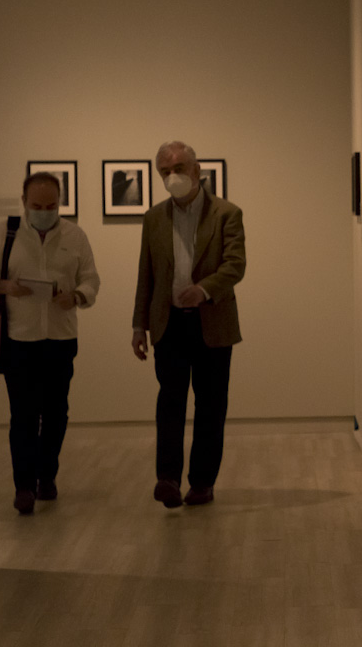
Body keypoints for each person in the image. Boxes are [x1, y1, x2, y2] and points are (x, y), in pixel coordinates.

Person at [0, 172, 100, 515]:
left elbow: (91, 279)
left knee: (56, 413)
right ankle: (24, 486)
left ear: (60, 202)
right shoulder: (3, 233)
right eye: (37, 206)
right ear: (24, 201)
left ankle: (47, 476)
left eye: (51, 205)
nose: (44, 212)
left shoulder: (75, 236)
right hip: (19, 339)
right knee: (23, 415)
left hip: (60, 338)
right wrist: (6, 287)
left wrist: (76, 296)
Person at [132, 141, 246, 508]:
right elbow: (146, 275)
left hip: (212, 322)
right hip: (168, 324)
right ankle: (167, 479)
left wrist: (204, 290)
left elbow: (235, 265)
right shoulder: (154, 218)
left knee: (210, 406)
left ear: (197, 170)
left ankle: (202, 482)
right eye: (165, 171)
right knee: (170, 404)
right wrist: (138, 326)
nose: (172, 176)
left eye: (179, 168)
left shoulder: (226, 213)